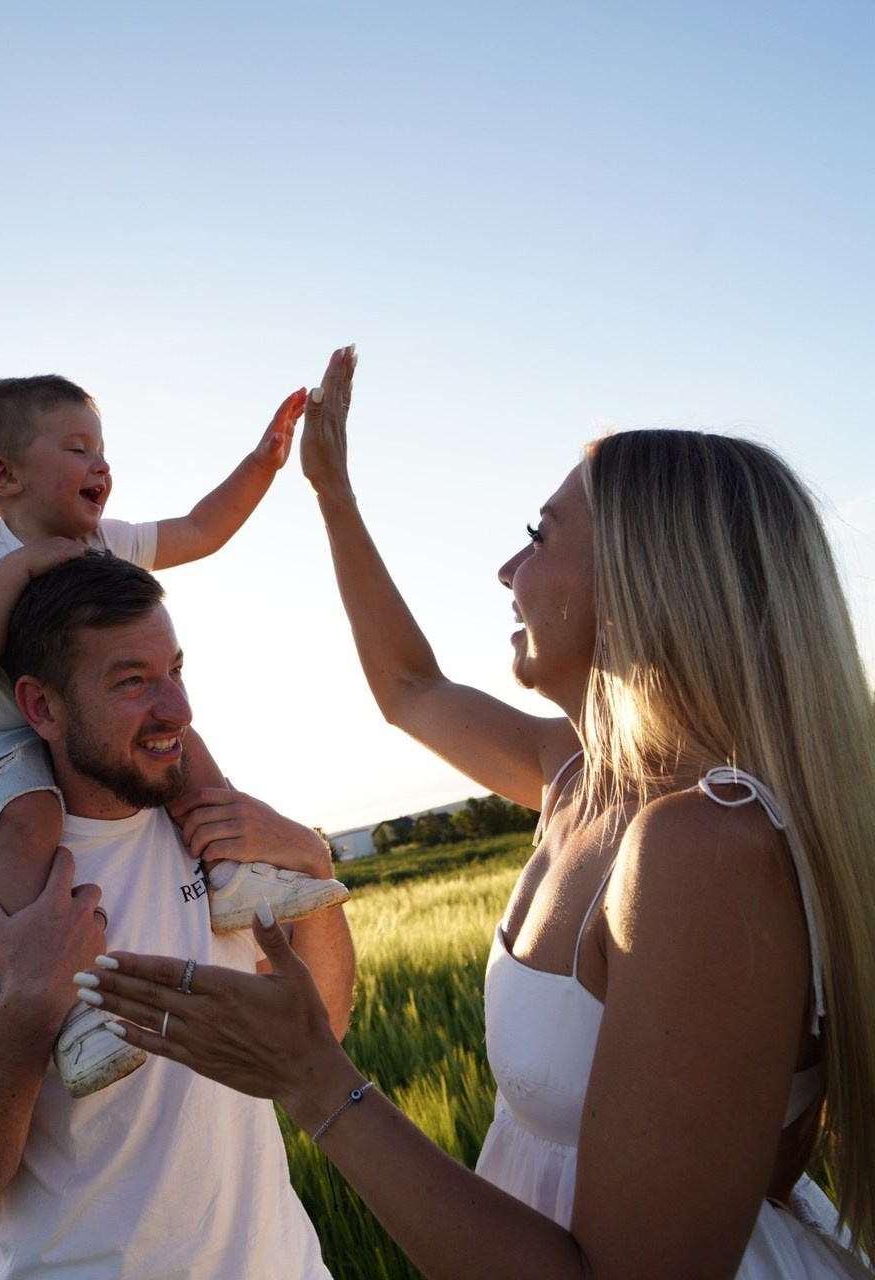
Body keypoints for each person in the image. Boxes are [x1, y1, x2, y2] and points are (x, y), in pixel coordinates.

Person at [76, 347, 875, 1279]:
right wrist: (333, 493)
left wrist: (311, 1076)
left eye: (539, 535)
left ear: (641, 581)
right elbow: (409, 687)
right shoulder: (580, 773)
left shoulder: (702, 846)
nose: (506, 568)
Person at [0, 550, 354, 1278]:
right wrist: (30, 1008)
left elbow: (318, 1034)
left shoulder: (214, 832)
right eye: (133, 682)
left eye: (176, 670)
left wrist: (314, 872)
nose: (179, 711)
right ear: (42, 707)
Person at [0, 375, 348, 1095]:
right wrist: (22, 569)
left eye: (103, 448)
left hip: (54, 728)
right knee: (30, 816)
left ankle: (231, 871)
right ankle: (72, 1005)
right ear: (4, 474)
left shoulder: (102, 543)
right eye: (78, 448)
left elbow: (200, 530)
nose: (101, 465)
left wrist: (263, 462)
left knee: (184, 742)